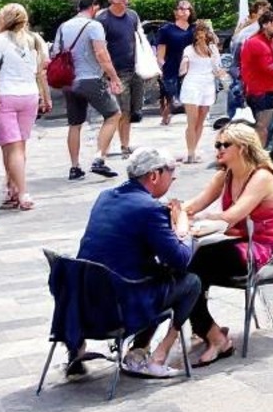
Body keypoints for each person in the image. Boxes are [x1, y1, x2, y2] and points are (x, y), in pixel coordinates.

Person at [74, 147, 198, 380]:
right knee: (191, 282)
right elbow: (180, 260)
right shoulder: (150, 208)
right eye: (171, 175)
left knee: (156, 276)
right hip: (119, 308)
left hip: (83, 303)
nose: (172, 180)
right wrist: (183, 228)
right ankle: (152, 356)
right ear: (154, 175)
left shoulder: (105, 196)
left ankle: (134, 350)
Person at [181, 125, 273, 366]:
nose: (218, 150)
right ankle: (207, 329)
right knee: (191, 261)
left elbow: (232, 215)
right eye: (217, 145)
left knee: (197, 264)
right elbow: (195, 204)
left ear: (242, 148)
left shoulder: (261, 177)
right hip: (244, 241)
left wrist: (199, 221)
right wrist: (173, 211)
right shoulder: (226, 174)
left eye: (224, 145)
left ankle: (209, 332)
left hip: (269, 248)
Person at [0, 4, 50, 211]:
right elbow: (42, 69)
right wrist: (44, 96)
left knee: (11, 147)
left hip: (5, 95)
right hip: (29, 95)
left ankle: (21, 192)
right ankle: (12, 187)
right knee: (19, 146)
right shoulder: (35, 40)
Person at [56, 0, 123, 181]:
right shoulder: (94, 26)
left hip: (69, 81)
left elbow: (55, 52)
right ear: (94, 7)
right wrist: (114, 77)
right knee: (113, 114)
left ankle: (75, 167)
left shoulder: (64, 26)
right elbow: (101, 53)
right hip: (91, 78)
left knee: (75, 124)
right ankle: (99, 158)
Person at [97, 0, 144, 150]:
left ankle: (125, 142)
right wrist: (108, 73)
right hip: (116, 71)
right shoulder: (103, 19)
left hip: (135, 68)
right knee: (121, 110)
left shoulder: (132, 16)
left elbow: (139, 38)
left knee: (133, 110)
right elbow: (99, 47)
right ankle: (119, 145)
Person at [237, 9, 273, 146]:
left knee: (265, 127)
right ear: (267, 24)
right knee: (262, 128)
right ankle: (257, 159)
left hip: (268, 89)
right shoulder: (256, 43)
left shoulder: (271, 41)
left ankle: (257, 157)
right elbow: (270, 69)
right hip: (260, 91)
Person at [176, 20, 223, 163]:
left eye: (205, 33)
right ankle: (190, 153)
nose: (203, 36)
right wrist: (183, 65)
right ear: (196, 35)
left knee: (201, 120)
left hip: (207, 85)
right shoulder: (189, 49)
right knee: (192, 121)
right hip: (192, 85)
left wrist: (223, 75)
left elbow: (217, 69)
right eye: (200, 33)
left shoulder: (213, 49)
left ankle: (194, 150)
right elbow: (183, 66)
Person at [153, 0, 197, 128]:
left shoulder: (195, 29)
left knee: (189, 94)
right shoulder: (167, 29)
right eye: (181, 8)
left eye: (187, 9)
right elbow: (160, 52)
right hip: (172, 66)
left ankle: (192, 118)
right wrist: (161, 66)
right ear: (175, 12)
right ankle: (167, 113)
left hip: (192, 67)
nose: (184, 11)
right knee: (172, 95)